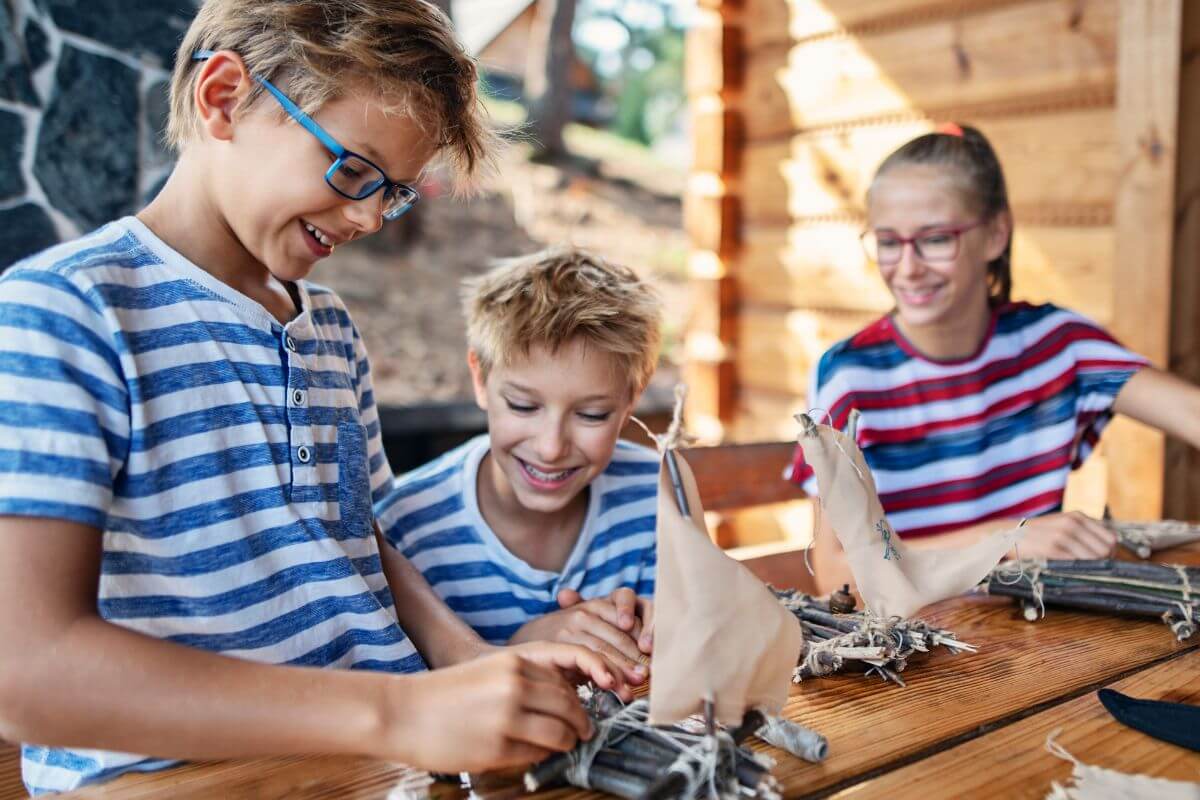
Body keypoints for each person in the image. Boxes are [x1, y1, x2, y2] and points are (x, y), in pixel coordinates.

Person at [0, 2, 631, 794]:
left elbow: (356, 541)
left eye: (395, 192)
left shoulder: (328, 328)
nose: (369, 216)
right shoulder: (64, 313)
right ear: (223, 97)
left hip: (378, 767)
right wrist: (398, 711)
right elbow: (26, 674)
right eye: (354, 170)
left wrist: (470, 663)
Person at [791, 123, 1200, 595]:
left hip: (1038, 635)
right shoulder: (848, 376)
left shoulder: (1058, 346)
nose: (907, 268)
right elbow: (836, 575)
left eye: (936, 239)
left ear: (995, 235)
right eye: (888, 241)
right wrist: (1006, 539)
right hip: (911, 653)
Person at [377, 248, 662, 679]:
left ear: (631, 399)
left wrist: (655, 626)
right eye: (523, 405)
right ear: (480, 379)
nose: (551, 447)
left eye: (591, 415)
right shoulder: (405, 529)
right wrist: (525, 645)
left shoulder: (656, 494)